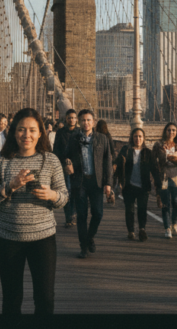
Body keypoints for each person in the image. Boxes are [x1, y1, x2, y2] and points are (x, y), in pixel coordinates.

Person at [0, 108, 68, 315]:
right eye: (21, 130)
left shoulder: (51, 160)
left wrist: (52, 196)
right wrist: (9, 186)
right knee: (11, 300)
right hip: (8, 239)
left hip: (43, 239)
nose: (26, 135)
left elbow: (64, 196)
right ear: (13, 132)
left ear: (40, 133)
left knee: (45, 300)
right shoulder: (1, 160)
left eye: (32, 130)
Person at [64, 109, 113, 259]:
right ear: (79, 122)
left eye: (88, 120)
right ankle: (83, 247)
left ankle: (89, 237)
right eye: (83, 120)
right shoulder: (73, 138)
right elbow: (65, 155)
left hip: (96, 181)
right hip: (80, 181)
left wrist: (108, 183)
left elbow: (108, 162)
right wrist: (67, 163)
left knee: (98, 213)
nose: (86, 123)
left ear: (93, 122)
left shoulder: (102, 139)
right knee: (82, 215)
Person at [113, 128, 155, 241]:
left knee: (142, 209)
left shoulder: (148, 152)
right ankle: (131, 231)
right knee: (129, 210)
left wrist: (159, 187)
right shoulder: (126, 150)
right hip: (129, 186)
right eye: (135, 136)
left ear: (144, 138)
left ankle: (142, 229)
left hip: (143, 187)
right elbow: (117, 163)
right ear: (132, 137)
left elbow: (155, 170)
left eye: (140, 136)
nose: (138, 139)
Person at [153, 122, 177, 239]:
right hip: (164, 177)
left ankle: (174, 223)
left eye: (173, 130)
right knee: (165, 204)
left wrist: (172, 159)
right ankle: (167, 228)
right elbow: (153, 161)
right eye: (169, 130)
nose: (171, 132)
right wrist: (156, 176)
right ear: (165, 131)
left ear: (176, 132)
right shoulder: (158, 145)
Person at [52, 110, 79, 228]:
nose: (71, 120)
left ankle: (75, 214)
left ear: (76, 119)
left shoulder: (80, 132)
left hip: (78, 167)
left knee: (76, 191)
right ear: (66, 119)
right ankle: (69, 216)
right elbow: (56, 149)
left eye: (73, 118)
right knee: (66, 191)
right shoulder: (60, 133)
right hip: (64, 166)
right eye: (69, 118)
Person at [95, 120, 119, 203]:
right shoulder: (108, 136)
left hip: (98, 161)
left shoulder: (96, 136)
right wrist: (114, 162)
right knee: (108, 177)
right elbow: (112, 150)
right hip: (108, 160)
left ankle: (103, 195)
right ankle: (109, 194)